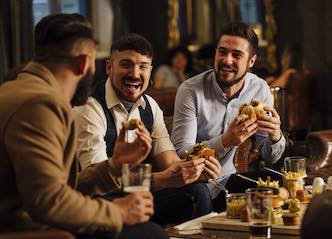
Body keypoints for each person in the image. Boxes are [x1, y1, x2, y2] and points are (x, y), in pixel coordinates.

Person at [0, 13, 168, 239]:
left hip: (34, 219)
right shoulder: (40, 104)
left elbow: (60, 188)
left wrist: (116, 165)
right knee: (151, 235)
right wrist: (117, 211)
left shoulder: (21, 88)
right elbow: (48, 201)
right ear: (84, 63)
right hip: (26, 228)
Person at [74, 33, 221, 224]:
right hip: (102, 203)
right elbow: (98, 182)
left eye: (142, 66)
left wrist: (193, 172)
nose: (135, 74)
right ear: (109, 67)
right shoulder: (90, 108)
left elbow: (171, 164)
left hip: (138, 195)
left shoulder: (150, 106)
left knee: (197, 191)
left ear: (150, 71)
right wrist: (163, 180)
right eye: (126, 64)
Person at [171, 22, 286, 211]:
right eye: (222, 52)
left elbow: (269, 156)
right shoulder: (191, 90)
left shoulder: (259, 89)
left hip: (228, 180)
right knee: (199, 195)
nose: (227, 60)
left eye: (237, 55)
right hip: (195, 183)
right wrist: (225, 141)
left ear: (251, 61)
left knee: (278, 183)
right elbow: (181, 153)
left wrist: (275, 136)